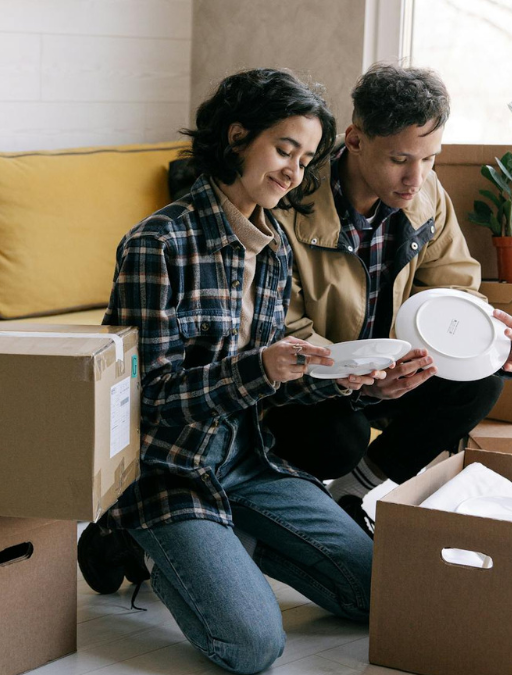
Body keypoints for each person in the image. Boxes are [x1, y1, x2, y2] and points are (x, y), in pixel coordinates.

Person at [76, 69, 383, 675]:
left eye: (305, 158)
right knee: (251, 647)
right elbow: (146, 396)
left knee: (381, 593)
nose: (294, 171)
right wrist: (259, 368)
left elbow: (265, 386)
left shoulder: (271, 247)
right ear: (238, 136)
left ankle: (229, 543)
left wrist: (329, 380)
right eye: (283, 149)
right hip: (169, 469)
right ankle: (130, 534)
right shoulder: (157, 243)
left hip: (250, 460)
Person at [263, 63, 512, 536]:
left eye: (430, 158)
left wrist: (490, 343)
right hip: (314, 383)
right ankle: (281, 505)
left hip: (395, 372)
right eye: (400, 160)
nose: (417, 177)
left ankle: (353, 490)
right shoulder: (290, 207)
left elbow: (454, 291)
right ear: (354, 140)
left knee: (485, 380)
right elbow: (281, 333)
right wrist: (363, 380)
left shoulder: (427, 195)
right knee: (338, 439)